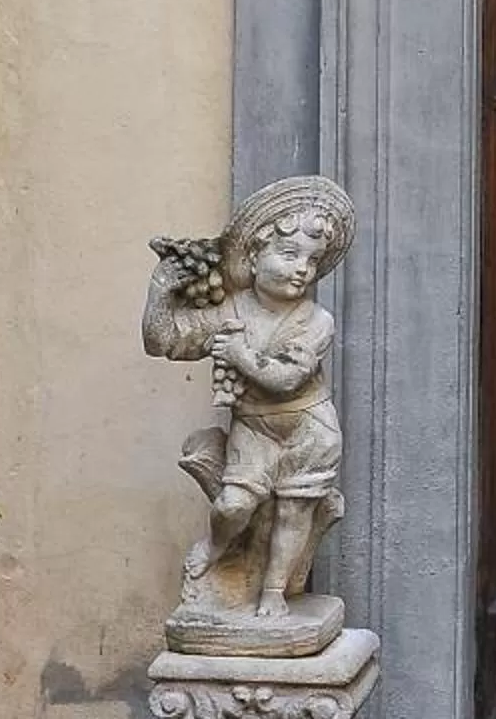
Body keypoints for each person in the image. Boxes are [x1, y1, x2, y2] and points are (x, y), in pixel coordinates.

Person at [142, 175, 353, 621]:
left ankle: (274, 591)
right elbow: (164, 341)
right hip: (254, 426)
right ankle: (217, 546)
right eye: (289, 253)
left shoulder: (317, 321)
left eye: (312, 260)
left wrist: (239, 354)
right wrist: (160, 292)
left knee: (295, 513)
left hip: (308, 429)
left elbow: (286, 380)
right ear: (254, 257)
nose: (302, 267)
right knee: (233, 505)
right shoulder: (228, 311)